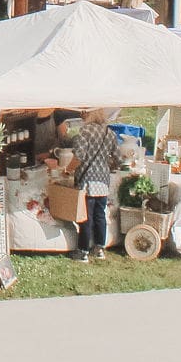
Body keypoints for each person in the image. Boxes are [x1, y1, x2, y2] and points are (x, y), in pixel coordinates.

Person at [64, 109, 118, 263]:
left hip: (87, 180)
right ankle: (99, 248)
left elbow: (79, 157)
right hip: (103, 180)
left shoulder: (85, 132)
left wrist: (67, 169)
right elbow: (118, 157)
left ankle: (83, 251)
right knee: (100, 215)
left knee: (85, 217)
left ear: (89, 115)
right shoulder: (110, 133)